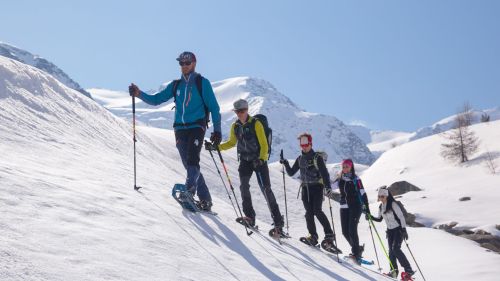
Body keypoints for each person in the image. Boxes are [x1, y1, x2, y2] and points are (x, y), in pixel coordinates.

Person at [129, 51, 221, 211]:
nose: (184, 66)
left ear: (194, 63)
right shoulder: (176, 85)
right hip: (180, 128)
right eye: (181, 63)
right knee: (188, 163)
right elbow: (157, 99)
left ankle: (189, 192)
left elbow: (214, 107)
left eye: (187, 63)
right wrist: (139, 94)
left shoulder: (202, 83)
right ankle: (205, 199)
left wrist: (217, 130)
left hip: (197, 126)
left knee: (193, 159)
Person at [206, 99, 284, 235]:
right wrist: (215, 147)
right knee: (243, 186)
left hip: (258, 161)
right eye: (237, 111)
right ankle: (250, 217)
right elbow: (231, 143)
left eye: (242, 111)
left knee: (266, 189)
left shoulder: (256, 124)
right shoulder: (235, 126)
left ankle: (278, 223)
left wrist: (261, 159)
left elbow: (264, 145)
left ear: (247, 110)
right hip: (245, 161)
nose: (240, 114)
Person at [280, 133, 338, 251]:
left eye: (306, 144)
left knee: (317, 210)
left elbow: (324, 173)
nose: (304, 147)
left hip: (317, 187)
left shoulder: (317, 158)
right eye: (302, 145)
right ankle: (313, 236)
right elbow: (291, 173)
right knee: (308, 213)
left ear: (311, 144)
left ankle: (329, 236)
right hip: (305, 188)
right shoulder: (300, 159)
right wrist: (285, 163)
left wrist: (327, 187)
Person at [369, 187, 416, 279]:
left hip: (398, 229)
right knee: (391, 251)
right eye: (379, 196)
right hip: (390, 231)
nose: (381, 198)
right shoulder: (381, 206)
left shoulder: (393, 204)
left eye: (382, 196)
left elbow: (401, 217)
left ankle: (408, 269)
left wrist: (404, 230)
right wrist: (370, 217)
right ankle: (393, 271)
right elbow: (379, 219)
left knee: (395, 248)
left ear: (386, 196)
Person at [333, 158, 370, 264]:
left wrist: (367, 208)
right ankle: (357, 249)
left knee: (352, 230)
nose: (345, 169)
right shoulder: (340, 179)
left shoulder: (356, 179)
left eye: (347, 167)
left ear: (351, 167)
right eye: (343, 167)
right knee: (345, 232)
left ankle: (356, 254)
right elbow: (331, 186)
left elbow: (362, 193)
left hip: (355, 207)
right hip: (344, 207)